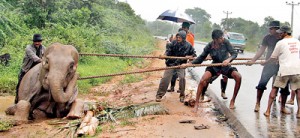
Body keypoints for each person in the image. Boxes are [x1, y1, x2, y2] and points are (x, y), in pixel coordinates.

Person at [182, 29, 241, 112]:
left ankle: (233, 101)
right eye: (219, 39)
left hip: (225, 66)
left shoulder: (226, 42)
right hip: (215, 66)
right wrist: (189, 64)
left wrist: (228, 60)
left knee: (238, 77)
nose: (221, 39)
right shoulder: (210, 45)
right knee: (203, 80)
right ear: (215, 40)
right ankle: (196, 104)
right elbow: (201, 57)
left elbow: (234, 53)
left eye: (221, 38)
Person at [246, 21, 289, 112]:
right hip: (269, 64)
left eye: (271, 28)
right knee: (262, 84)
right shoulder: (267, 38)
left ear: (276, 29)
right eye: (269, 28)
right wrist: (253, 60)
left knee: (284, 87)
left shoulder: (283, 39)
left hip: (281, 65)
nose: (269, 30)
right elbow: (261, 50)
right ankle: (257, 103)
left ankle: (283, 107)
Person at [263, 25, 300, 117]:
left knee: (274, 88)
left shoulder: (280, 43)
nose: (279, 34)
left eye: (280, 32)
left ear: (285, 33)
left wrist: (265, 62)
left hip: (284, 70)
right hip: (296, 70)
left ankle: (267, 111)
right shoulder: (297, 42)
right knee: (298, 90)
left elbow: (273, 57)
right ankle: (299, 112)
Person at [156, 30, 196, 102]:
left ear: (183, 38)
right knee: (165, 78)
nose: (178, 39)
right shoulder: (173, 43)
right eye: (177, 37)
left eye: (179, 37)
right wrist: (164, 56)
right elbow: (168, 52)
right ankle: (159, 95)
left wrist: (189, 57)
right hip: (171, 64)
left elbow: (194, 55)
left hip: (181, 65)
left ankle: (182, 95)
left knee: (182, 78)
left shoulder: (188, 45)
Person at [15, 34, 46, 103]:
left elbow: (46, 56)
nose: (37, 43)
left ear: (41, 41)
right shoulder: (28, 48)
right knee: (19, 85)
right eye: (35, 41)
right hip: (27, 69)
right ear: (33, 41)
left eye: (39, 41)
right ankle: (17, 100)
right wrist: (44, 61)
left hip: (38, 69)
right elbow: (34, 58)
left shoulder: (44, 48)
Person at [167, 23, 195, 92]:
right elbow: (173, 43)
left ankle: (181, 89)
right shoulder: (178, 34)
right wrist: (170, 40)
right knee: (174, 74)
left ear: (187, 29)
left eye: (185, 28)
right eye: (182, 27)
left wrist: (190, 57)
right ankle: (172, 87)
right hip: (175, 57)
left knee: (182, 76)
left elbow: (191, 48)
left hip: (183, 58)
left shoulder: (190, 37)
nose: (183, 28)